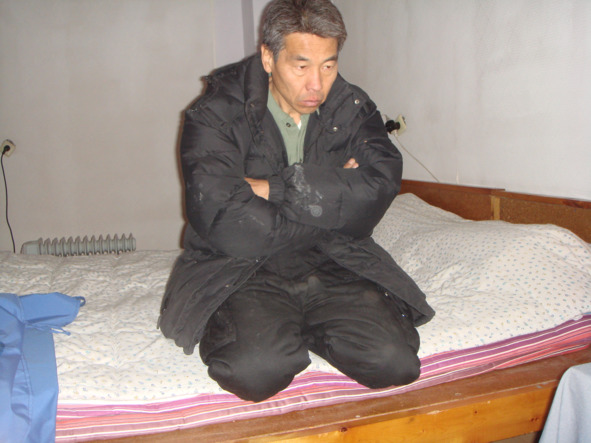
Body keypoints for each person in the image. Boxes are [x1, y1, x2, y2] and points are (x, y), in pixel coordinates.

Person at [158, 0, 434, 402]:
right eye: (301, 66)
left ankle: (307, 324)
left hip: (333, 260)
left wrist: (276, 188)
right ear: (269, 58)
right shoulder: (216, 112)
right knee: (255, 371)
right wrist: (334, 195)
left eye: (328, 65)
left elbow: (378, 191)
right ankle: (279, 324)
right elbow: (225, 219)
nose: (316, 85)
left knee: (395, 363)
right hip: (243, 266)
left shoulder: (351, 107)